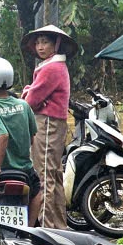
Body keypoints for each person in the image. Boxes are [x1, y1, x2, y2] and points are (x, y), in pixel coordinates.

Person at [20, 25, 75, 229]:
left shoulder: (52, 68)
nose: (40, 46)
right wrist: (31, 93)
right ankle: (58, 224)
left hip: (47, 122)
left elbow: (31, 100)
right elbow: (34, 95)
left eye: (45, 42)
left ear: (56, 44)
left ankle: (46, 224)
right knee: (53, 173)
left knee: (43, 174)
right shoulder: (52, 66)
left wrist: (29, 94)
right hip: (53, 122)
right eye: (38, 42)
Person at [0, 56, 42, 223]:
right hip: (23, 169)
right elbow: (32, 137)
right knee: (37, 194)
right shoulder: (24, 105)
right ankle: (30, 229)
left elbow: (2, 135)